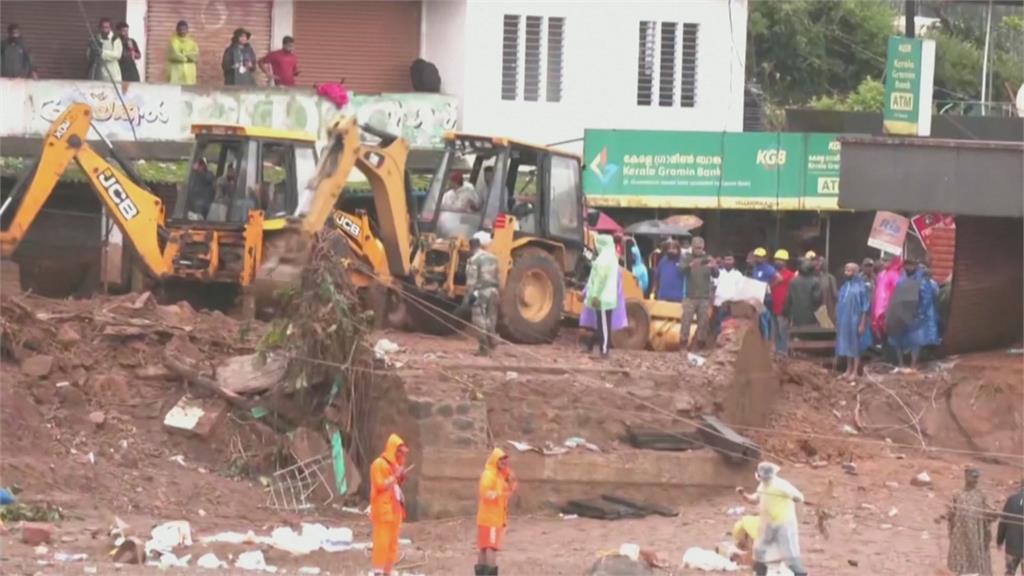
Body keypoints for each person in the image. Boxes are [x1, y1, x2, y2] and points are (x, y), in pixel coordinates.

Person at [736, 462, 807, 576]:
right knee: (760, 549)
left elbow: (799, 497)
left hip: (783, 523)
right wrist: (743, 494)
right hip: (768, 524)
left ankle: (799, 573)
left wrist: (793, 497)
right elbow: (755, 499)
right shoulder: (762, 486)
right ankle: (760, 572)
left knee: (789, 552)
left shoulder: (781, 485)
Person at [887, 257, 940, 372]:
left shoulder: (922, 280)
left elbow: (926, 298)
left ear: (915, 266)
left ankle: (913, 364)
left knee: (916, 340)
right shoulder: (901, 279)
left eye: (911, 265)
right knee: (897, 338)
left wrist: (920, 313)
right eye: (906, 265)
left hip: (915, 314)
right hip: (901, 314)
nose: (908, 267)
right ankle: (901, 363)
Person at [370, 434, 410, 576]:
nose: (402, 456)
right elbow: (381, 485)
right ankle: (378, 572)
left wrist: (401, 475)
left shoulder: (395, 466)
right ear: (393, 450)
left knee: (393, 545)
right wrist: (395, 476)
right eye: (400, 452)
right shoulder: (378, 464)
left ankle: (387, 571)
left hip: (395, 510)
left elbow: (396, 485)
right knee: (382, 543)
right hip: (383, 511)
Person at [476, 448, 517, 576]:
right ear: (495, 460)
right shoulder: (490, 474)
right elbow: (486, 493)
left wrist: (509, 479)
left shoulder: (500, 475)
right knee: (490, 548)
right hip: (491, 518)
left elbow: (511, 486)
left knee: (484, 548)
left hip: (489, 518)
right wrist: (501, 494)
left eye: (505, 459)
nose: (504, 462)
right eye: (501, 459)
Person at [947, 467, 994, 576]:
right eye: (973, 477)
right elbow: (950, 512)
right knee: (961, 559)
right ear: (966, 477)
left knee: (975, 561)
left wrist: (992, 515)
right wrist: (943, 517)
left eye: (977, 477)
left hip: (976, 535)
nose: (976, 480)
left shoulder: (981, 495)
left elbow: (989, 511)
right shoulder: (958, 494)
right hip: (960, 535)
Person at [461, 231, 500, 356]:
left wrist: (467, 299)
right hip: (494, 291)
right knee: (491, 319)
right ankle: (492, 342)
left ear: (471, 247)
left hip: (480, 292)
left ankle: (483, 349)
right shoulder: (493, 258)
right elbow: (498, 276)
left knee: (479, 321)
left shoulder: (473, 260)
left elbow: (471, 281)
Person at [583, 234, 619, 357]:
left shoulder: (603, 259)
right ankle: (593, 345)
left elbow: (600, 280)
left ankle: (604, 351)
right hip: (607, 297)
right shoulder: (611, 257)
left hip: (602, 298)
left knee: (603, 325)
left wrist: (595, 296)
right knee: (603, 324)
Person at [835, 262, 872, 380]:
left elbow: (865, 307)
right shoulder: (845, 286)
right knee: (847, 345)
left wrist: (862, 323)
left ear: (855, 272)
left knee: (855, 346)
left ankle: (855, 371)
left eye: (849, 270)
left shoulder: (861, 287)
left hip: (856, 320)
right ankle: (848, 369)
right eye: (846, 270)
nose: (847, 272)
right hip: (844, 320)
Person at [679, 236, 717, 350]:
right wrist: (690, 266)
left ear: (703, 247)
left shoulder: (708, 258)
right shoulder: (687, 257)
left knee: (703, 323)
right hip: (689, 296)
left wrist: (714, 267)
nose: (698, 250)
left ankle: (700, 346)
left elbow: (716, 275)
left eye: (700, 248)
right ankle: (683, 345)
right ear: (692, 247)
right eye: (696, 247)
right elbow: (681, 271)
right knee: (686, 321)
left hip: (704, 297)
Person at [784, 259, 822, 330]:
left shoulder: (793, 282)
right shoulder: (815, 281)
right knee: (810, 337)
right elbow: (817, 300)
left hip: (796, 317)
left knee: (797, 337)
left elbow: (788, 299)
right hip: (811, 317)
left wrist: (786, 313)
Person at [769, 250, 794, 356]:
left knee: (782, 330)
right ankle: (776, 350)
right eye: (776, 259)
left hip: (783, 308)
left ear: (785, 262)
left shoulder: (790, 275)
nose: (777, 262)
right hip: (772, 306)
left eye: (780, 260)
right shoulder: (772, 274)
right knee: (774, 330)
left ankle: (784, 351)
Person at [997, 480, 1024, 576]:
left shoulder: (1011, 499)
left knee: (1009, 572)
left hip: (1012, 546)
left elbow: (1003, 521)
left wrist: (999, 540)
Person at [167, 20, 198, 85]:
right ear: (177, 30)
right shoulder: (173, 42)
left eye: (184, 29)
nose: (182, 31)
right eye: (180, 29)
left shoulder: (192, 42)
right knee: (175, 92)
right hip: (176, 74)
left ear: (187, 30)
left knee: (189, 93)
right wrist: (187, 56)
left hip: (189, 74)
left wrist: (182, 55)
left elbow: (195, 56)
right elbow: (174, 55)